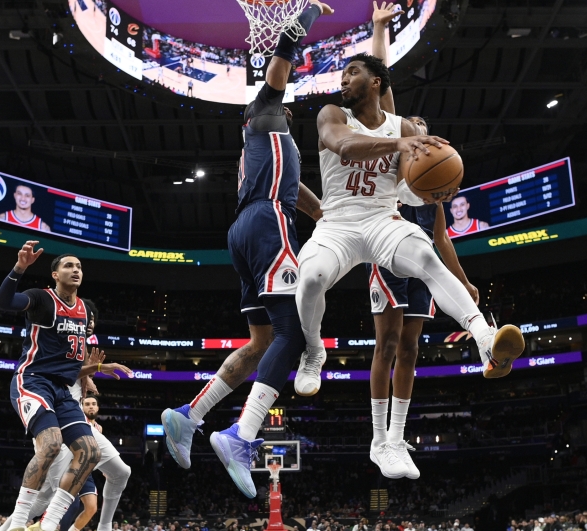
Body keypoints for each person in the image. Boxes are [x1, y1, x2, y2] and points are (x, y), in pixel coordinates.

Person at [158, 0, 330, 485]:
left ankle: (188, 416)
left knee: (262, 342)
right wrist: (310, 14)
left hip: (248, 228)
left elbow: (304, 200)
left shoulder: (273, 152)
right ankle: (242, 434)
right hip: (266, 225)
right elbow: (283, 51)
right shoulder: (264, 113)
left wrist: (335, 218)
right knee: (294, 335)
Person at [293, 42, 524, 400]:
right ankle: (313, 351)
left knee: (428, 257)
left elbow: (407, 188)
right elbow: (344, 146)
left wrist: (434, 193)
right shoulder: (332, 114)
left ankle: (484, 338)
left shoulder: (402, 127)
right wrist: (398, 145)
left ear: (375, 83)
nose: (344, 81)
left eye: (352, 73)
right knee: (310, 279)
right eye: (342, 76)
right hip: (337, 223)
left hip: (383, 219)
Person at [360, 3, 481, 480]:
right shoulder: (393, 159)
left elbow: (441, 241)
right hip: (386, 256)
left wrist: (464, 282)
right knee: (386, 346)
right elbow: (382, 85)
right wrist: (379, 28)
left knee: (410, 350)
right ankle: (376, 436)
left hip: (420, 261)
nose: (421, 141)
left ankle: (396, 438)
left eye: (427, 137)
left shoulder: (432, 190)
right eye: (416, 135)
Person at [0, 242, 125, 531]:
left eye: (79, 267)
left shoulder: (84, 311)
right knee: (51, 443)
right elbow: (4, 302)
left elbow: (71, 364)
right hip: (33, 380)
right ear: (55, 274)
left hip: (62, 390)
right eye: (69, 266)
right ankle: (16, 523)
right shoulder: (42, 299)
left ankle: (48, 524)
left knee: (90, 451)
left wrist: (95, 369)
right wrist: (19, 269)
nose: (76, 270)